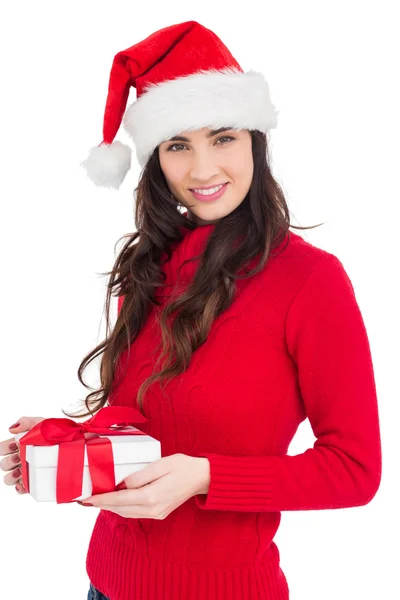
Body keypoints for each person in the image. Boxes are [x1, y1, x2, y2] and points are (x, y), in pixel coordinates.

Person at [1, 20, 382, 600]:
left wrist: (206, 477)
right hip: (105, 583)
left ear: (255, 137)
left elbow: (354, 470)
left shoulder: (310, 281)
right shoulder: (148, 268)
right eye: (179, 145)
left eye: (223, 137)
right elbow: (150, 420)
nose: (202, 170)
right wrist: (75, 439)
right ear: (157, 159)